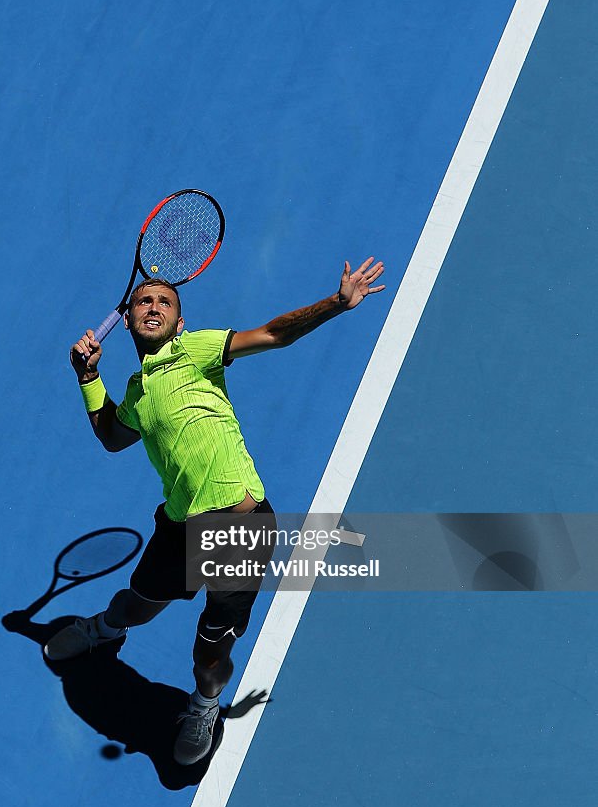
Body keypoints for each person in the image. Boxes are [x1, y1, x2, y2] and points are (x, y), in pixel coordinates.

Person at [45, 257, 386, 764]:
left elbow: (272, 334)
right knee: (133, 607)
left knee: (209, 653)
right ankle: (103, 630)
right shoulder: (138, 392)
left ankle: (205, 706)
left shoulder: (196, 349)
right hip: (180, 529)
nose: (154, 305)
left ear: (179, 322)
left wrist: (337, 303)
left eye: (165, 301)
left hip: (241, 532)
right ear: (132, 317)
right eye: (144, 300)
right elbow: (114, 437)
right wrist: (89, 376)